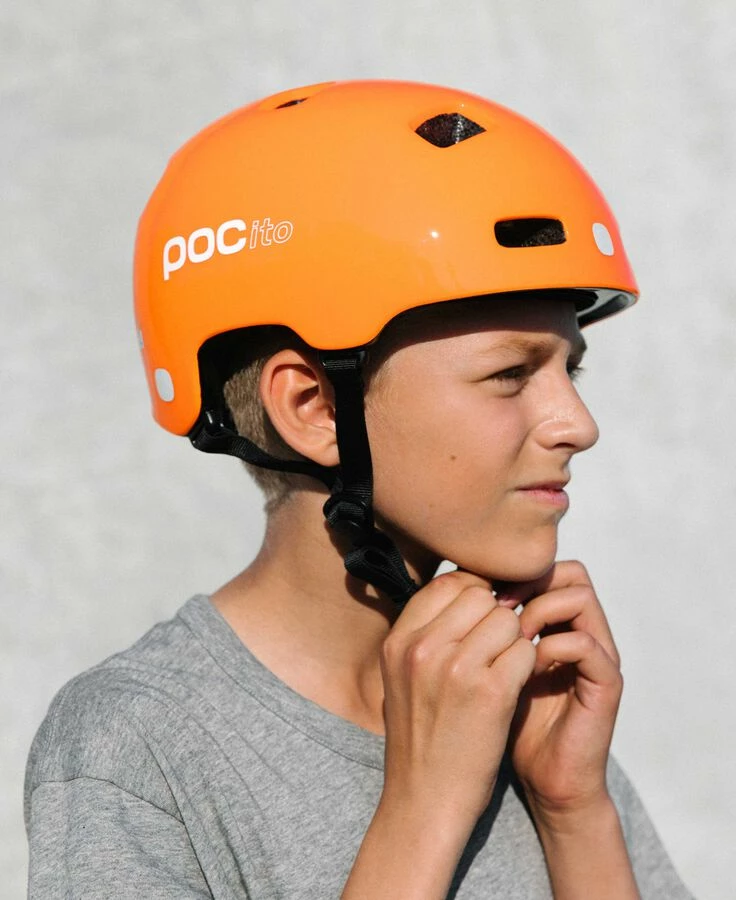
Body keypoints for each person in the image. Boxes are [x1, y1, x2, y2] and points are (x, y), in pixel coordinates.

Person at [25, 80, 693, 899]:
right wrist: (423, 809)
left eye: (570, 371)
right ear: (313, 408)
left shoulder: (525, 697)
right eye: (510, 375)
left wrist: (573, 811)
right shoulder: (138, 744)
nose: (578, 425)